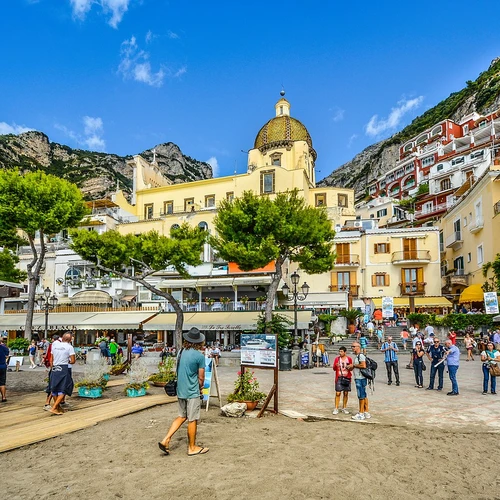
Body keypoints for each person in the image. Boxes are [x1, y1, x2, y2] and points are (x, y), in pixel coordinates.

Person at [158, 327, 209, 456]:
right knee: (192, 419)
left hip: (181, 389)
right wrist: (200, 387)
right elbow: (201, 378)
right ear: (199, 342)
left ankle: (166, 439)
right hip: (192, 391)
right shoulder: (199, 356)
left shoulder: (181, 351)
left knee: (182, 416)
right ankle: (192, 448)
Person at [49, 332, 76, 415]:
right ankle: (54, 407)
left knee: (54, 388)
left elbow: (51, 359)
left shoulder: (55, 346)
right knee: (64, 388)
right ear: (70, 339)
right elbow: (73, 361)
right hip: (64, 367)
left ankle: (58, 407)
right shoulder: (69, 347)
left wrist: (52, 367)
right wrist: (67, 360)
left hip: (55, 367)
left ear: (62, 338)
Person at [348, 342, 370, 421]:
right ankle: (366, 412)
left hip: (360, 378)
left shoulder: (360, 356)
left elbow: (363, 365)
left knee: (361, 396)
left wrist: (353, 365)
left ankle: (361, 413)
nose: (352, 348)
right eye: (352, 346)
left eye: (353, 346)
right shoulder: (357, 356)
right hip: (360, 378)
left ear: (358, 347)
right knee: (364, 395)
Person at [332, 346, 352, 414]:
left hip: (347, 377)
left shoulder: (349, 359)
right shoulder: (337, 359)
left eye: (341, 351)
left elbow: (351, 368)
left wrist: (349, 367)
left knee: (346, 393)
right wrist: (336, 366)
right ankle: (336, 407)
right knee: (338, 393)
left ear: (345, 352)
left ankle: (344, 407)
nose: (340, 353)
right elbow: (334, 369)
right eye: (339, 351)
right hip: (339, 377)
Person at [0, 335, 10, 403]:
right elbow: (7, 355)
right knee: (2, 383)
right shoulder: (4, 348)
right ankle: (3, 397)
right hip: (2, 366)